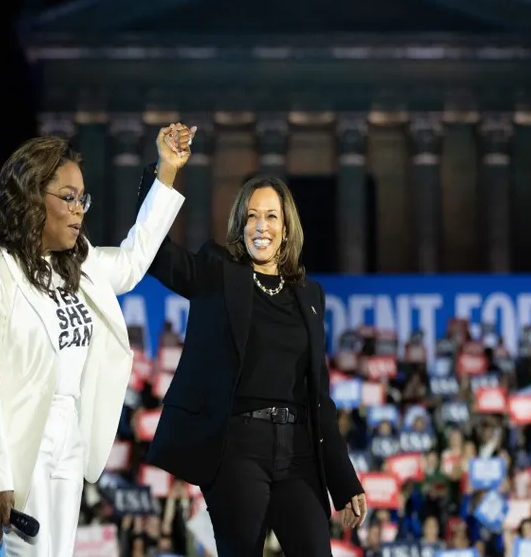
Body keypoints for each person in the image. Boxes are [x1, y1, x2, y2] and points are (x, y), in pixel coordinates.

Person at [0, 123, 195, 556]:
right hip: (19, 449)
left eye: (82, 197)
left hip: (70, 442)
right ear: (30, 199)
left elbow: (134, 258)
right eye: (68, 197)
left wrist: (166, 173)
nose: (79, 209)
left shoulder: (78, 266)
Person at [140, 170, 367, 557]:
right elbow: (157, 254)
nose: (261, 226)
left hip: (300, 453)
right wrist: (166, 172)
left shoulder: (310, 294)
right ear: (240, 224)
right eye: (251, 216)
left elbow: (319, 398)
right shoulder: (218, 274)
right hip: (237, 451)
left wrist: (345, 481)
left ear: (286, 226)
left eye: (271, 216)